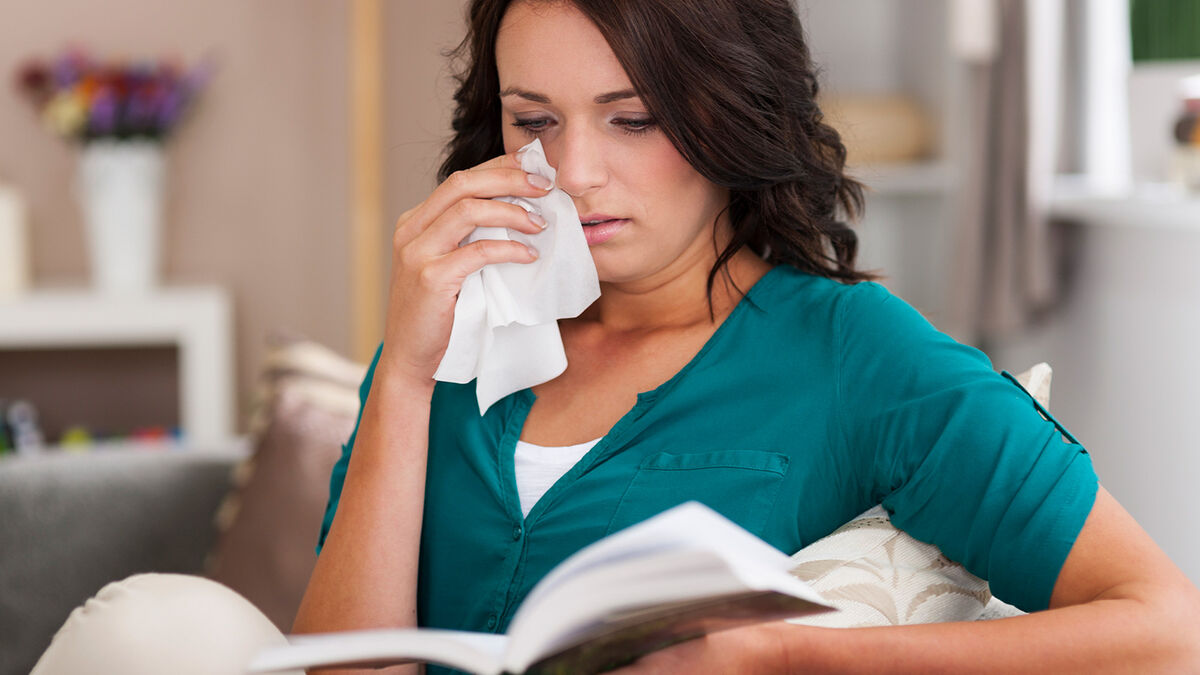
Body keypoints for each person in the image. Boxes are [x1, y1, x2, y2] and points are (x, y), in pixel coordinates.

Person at [293, 0, 1200, 673]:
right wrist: (405, 378)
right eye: (535, 120)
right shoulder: (460, 327)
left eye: (634, 118)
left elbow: (1168, 631)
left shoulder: (858, 354)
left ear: (730, 110)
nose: (571, 171)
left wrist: (784, 656)